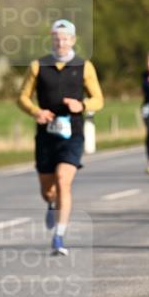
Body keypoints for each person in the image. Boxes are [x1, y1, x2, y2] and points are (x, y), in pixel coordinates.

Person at [18, 19, 104, 255]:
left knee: (63, 179)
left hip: (72, 133)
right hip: (46, 134)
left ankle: (59, 236)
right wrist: (37, 111)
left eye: (66, 38)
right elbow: (22, 97)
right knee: (49, 189)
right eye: (57, 38)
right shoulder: (38, 66)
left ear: (73, 40)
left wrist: (82, 105)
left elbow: (99, 99)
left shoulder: (84, 67)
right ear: (52, 39)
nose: (61, 42)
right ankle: (50, 203)